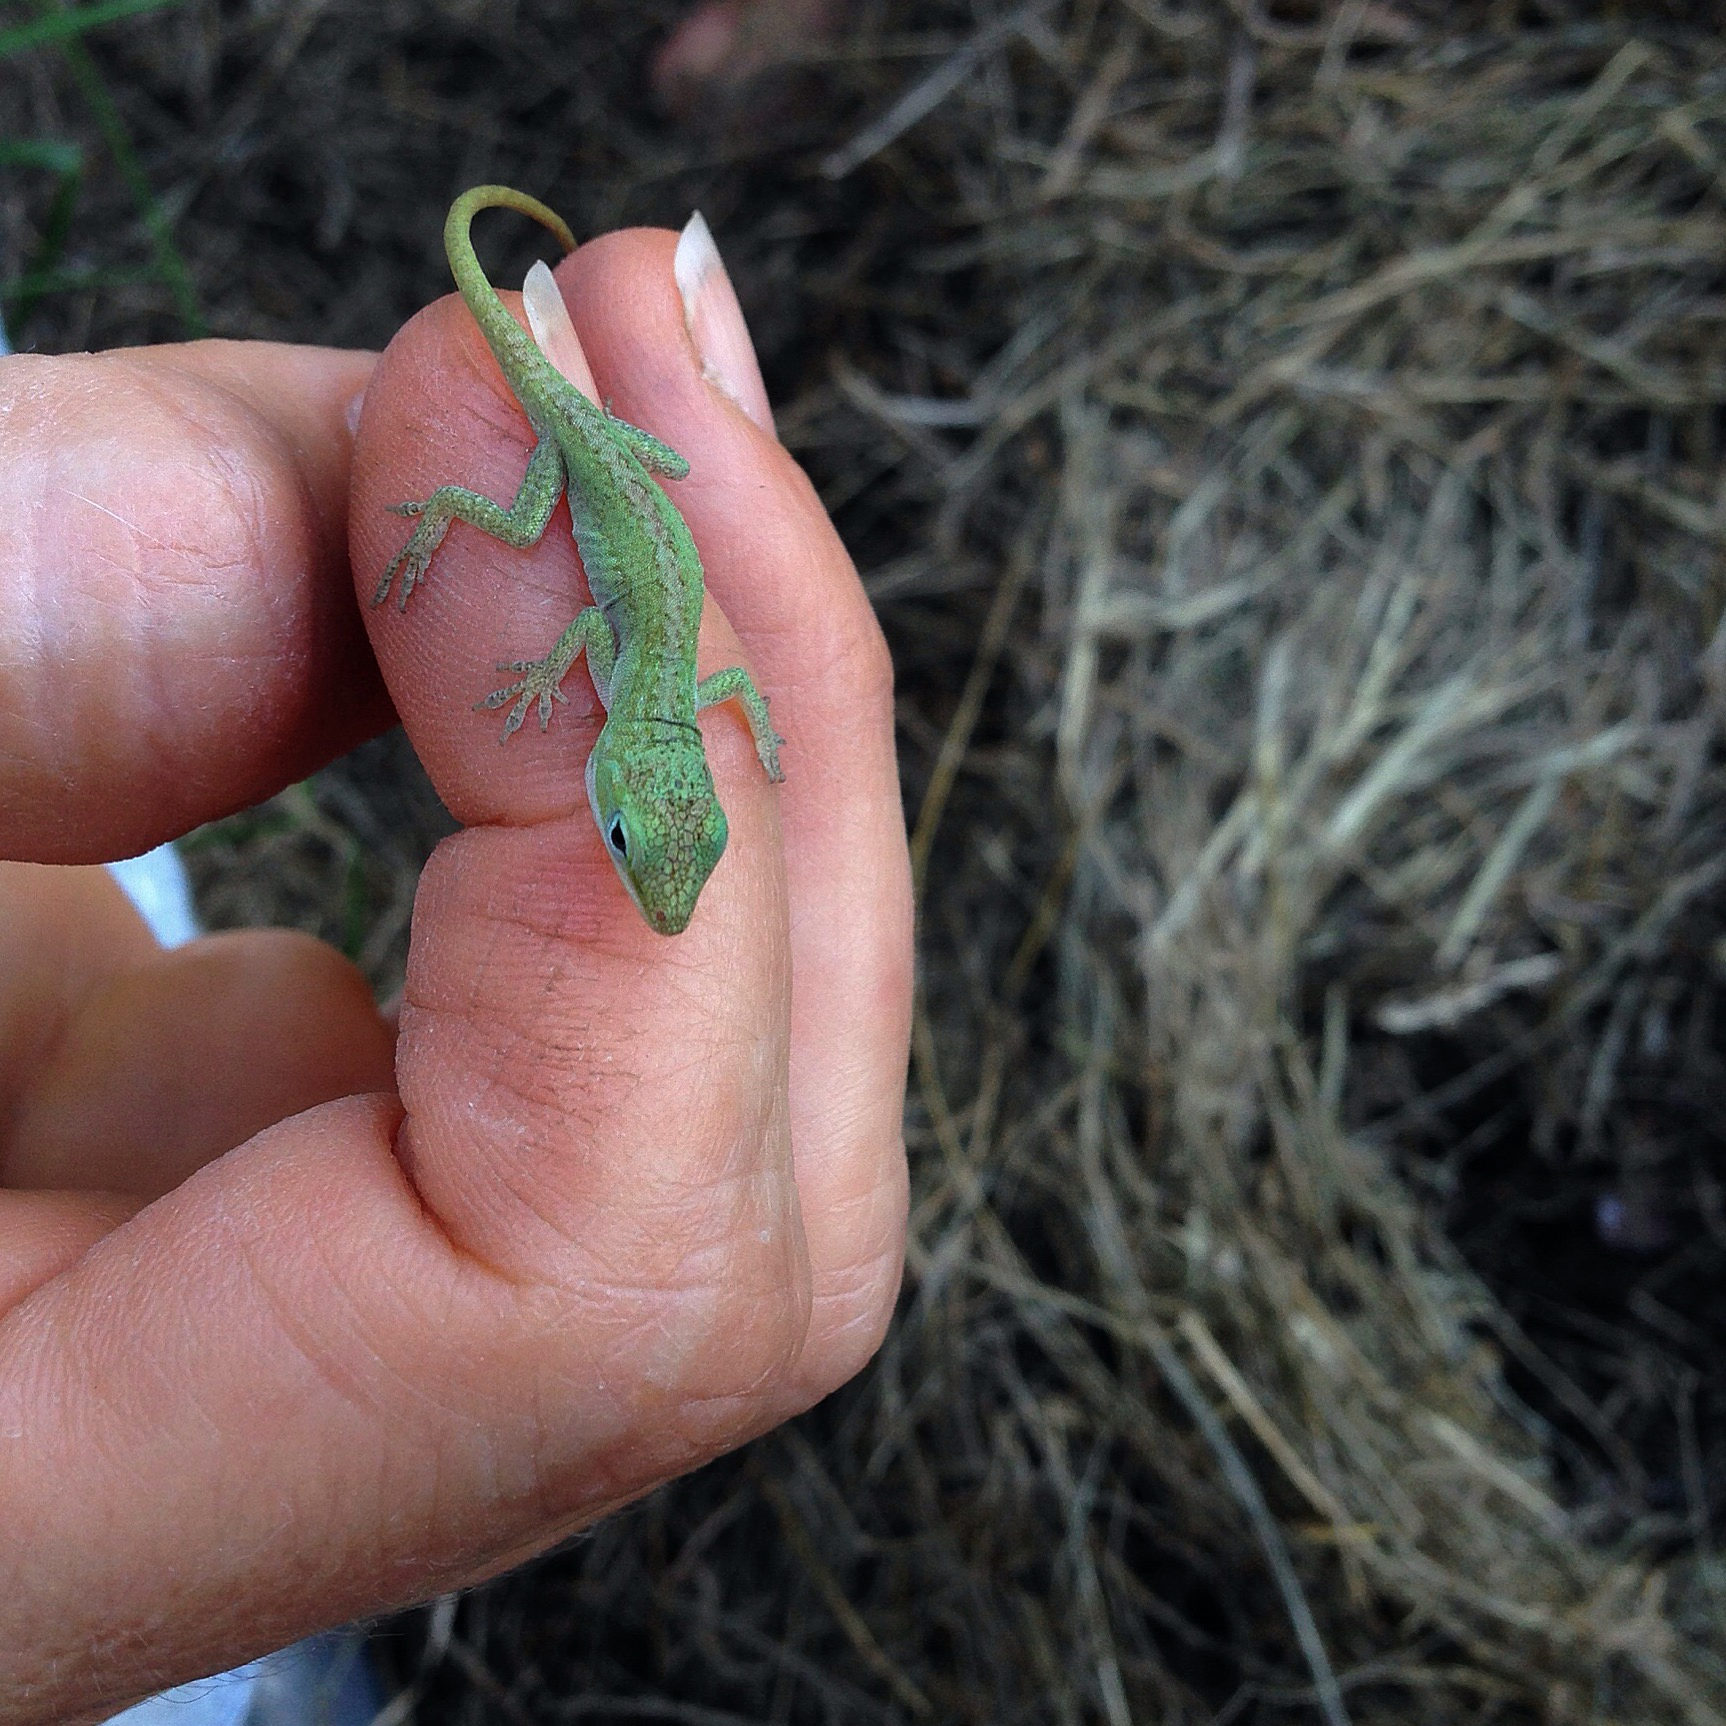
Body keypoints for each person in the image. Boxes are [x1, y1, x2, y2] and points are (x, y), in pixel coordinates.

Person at [0, 217, 912, 1726]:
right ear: (627, 775)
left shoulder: (657, 701)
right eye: (634, 837)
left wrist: (712, 718)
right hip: (597, 480)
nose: (646, 877)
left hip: (625, 510)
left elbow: (726, 678)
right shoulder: (635, 692)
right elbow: (675, 669)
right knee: (517, 485)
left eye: (648, 840)